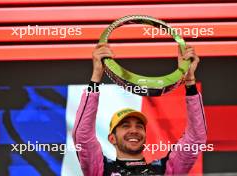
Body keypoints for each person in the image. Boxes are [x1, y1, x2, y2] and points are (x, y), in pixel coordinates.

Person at [72, 43, 207, 176]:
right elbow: (82, 137)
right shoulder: (100, 170)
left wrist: (190, 81)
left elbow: (195, 139)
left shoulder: (165, 170)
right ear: (112, 138)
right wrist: (95, 78)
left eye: (139, 126)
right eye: (125, 126)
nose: (134, 130)